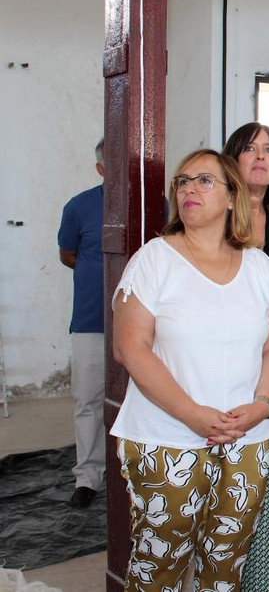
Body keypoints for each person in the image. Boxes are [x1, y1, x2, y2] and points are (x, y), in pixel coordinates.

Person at [110, 149, 269, 591]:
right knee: (160, 565)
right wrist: (192, 413)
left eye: (204, 180)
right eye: (183, 181)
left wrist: (262, 406)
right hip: (167, 438)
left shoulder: (258, 265)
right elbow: (130, 348)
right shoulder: (154, 260)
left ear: (232, 197)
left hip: (246, 439)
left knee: (227, 564)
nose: (189, 188)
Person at [221, 122, 269, 592]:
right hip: (214, 380)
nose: (260, 156)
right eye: (250, 148)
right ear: (232, 158)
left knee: (262, 506)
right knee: (214, 509)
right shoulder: (213, 223)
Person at [57, 138, 106, 509]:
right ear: (100, 168)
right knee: (88, 399)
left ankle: (137, 472)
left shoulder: (155, 204)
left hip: (148, 323)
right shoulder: (79, 206)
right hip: (91, 320)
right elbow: (68, 254)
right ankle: (88, 477)